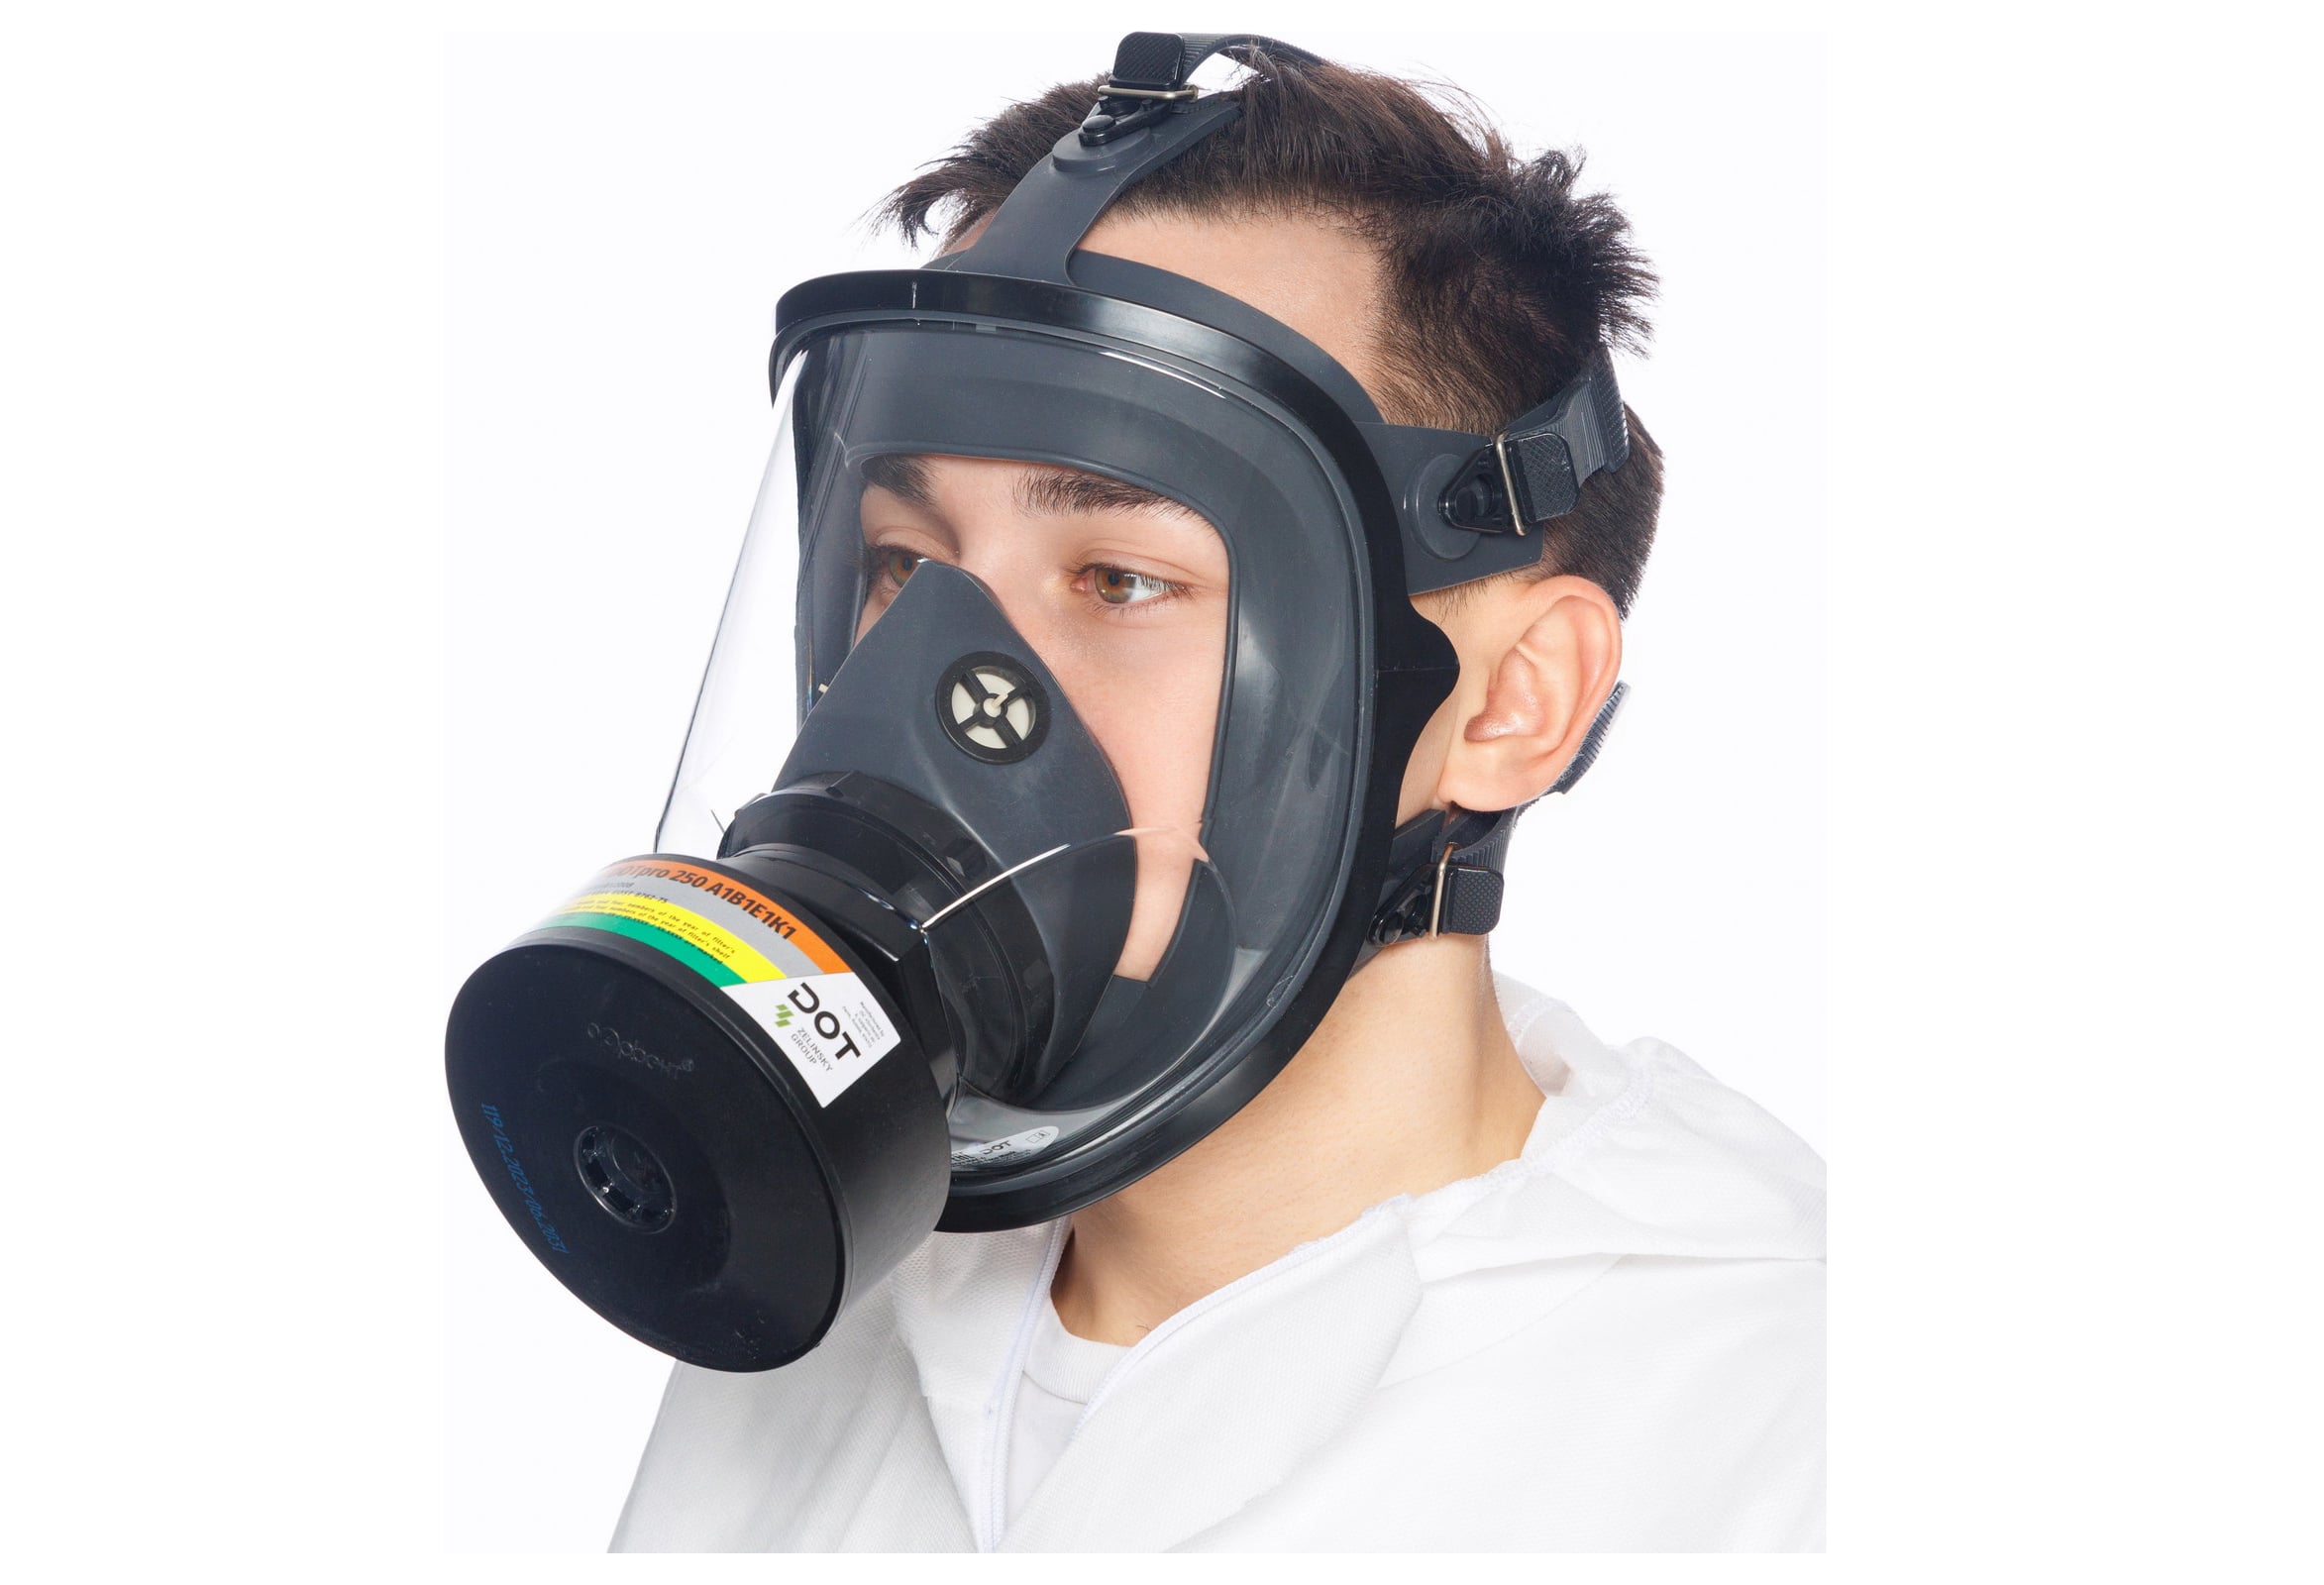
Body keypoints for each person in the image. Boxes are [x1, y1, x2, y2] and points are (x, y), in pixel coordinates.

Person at [607, 40, 1824, 1552]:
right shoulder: (827, 1277)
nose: (931, 687)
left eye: (1122, 578)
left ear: (1513, 700)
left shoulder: (1774, 1430)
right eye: (908, 564)